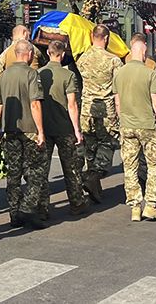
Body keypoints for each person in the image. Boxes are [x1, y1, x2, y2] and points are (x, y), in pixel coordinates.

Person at [0, 40, 47, 230]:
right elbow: (35, 103)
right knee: (36, 172)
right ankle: (28, 209)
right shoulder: (32, 74)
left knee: (13, 174)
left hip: (9, 130)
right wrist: (40, 131)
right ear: (29, 54)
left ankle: (14, 214)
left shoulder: (5, 75)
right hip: (29, 129)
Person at [114, 36, 156, 221]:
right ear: (144, 52)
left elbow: (117, 102)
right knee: (154, 165)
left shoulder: (119, 73)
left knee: (130, 167)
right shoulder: (150, 73)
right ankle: (151, 205)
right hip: (147, 125)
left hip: (127, 126)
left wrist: (122, 120)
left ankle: (135, 207)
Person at [36, 40, 89, 218]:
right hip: (64, 126)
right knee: (71, 168)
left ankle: (42, 208)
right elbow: (72, 105)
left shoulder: (39, 74)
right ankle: (77, 203)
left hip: (44, 126)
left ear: (49, 53)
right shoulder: (68, 76)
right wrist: (77, 130)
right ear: (63, 54)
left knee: (43, 170)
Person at [75, 24, 122, 203]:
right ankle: (93, 176)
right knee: (108, 142)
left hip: (86, 108)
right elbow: (118, 88)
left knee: (90, 145)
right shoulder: (113, 60)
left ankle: (94, 185)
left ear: (92, 37)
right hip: (106, 108)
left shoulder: (82, 59)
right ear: (107, 38)